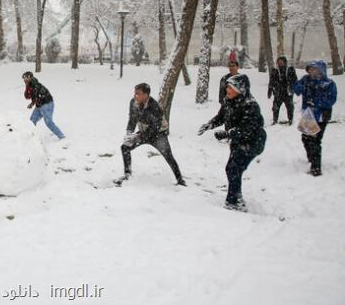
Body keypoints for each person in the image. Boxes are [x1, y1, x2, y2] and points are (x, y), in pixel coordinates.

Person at [198, 74, 267, 211]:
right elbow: (221, 117)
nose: (227, 90)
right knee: (233, 169)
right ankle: (236, 198)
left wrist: (228, 134)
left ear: (240, 89)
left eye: (231, 87)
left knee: (233, 169)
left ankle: (234, 201)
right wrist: (209, 125)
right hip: (238, 142)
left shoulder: (250, 105)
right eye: (227, 87)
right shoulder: (229, 101)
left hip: (253, 142)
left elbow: (247, 129)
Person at [115, 83, 186, 187]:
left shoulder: (154, 107)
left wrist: (139, 137)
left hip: (158, 134)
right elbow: (132, 118)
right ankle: (127, 174)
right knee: (125, 147)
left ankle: (180, 180)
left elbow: (154, 128)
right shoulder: (133, 102)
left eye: (138, 94)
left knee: (168, 156)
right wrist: (129, 134)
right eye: (135, 93)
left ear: (146, 95)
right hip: (144, 132)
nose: (135, 96)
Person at [293, 60, 337, 176]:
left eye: (314, 69)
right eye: (310, 69)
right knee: (305, 138)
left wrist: (317, 103)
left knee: (315, 141)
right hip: (308, 114)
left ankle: (316, 169)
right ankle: (312, 158)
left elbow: (331, 100)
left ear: (321, 70)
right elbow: (297, 89)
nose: (312, 71)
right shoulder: (306, 79)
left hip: (322, 115)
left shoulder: (329, 83)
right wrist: (298, 86)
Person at [22, 72, 65, 139]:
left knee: (48, 122)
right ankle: (30, 138)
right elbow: (27, 97)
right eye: (24, 78)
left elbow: (37, 96)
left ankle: (62, 137)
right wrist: (27, 87)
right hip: (39, 105)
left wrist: (32, 103)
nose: (24, 79)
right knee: (31, 122)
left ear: (30, 77)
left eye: (26, 78)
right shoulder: (29, 85)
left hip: (47, 104)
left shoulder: (36, 85)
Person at [268, 56, 298, 125]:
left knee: (290, 107)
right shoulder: (274, 70)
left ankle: (290, 120)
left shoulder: (290, 69)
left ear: (285, 62)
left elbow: (295, 80)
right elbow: (271, 80)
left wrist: (294, 87)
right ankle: (275, 120)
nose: (279, 63)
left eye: (281, 62)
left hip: (288, 92)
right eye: (278, 62)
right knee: (275, 107)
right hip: (278, 92)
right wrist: (270, 89)